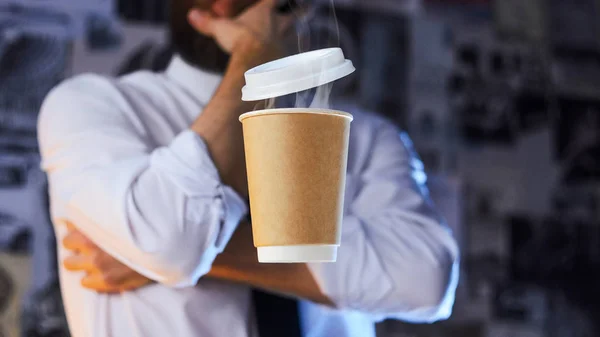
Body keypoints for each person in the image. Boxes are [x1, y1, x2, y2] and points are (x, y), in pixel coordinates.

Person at [37, 0, 459, 336]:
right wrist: (251, 65)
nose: (222, 6)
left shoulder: (363, 137)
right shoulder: (90, 106)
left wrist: (178, 252)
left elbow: (425, 280)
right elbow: (172, 242)